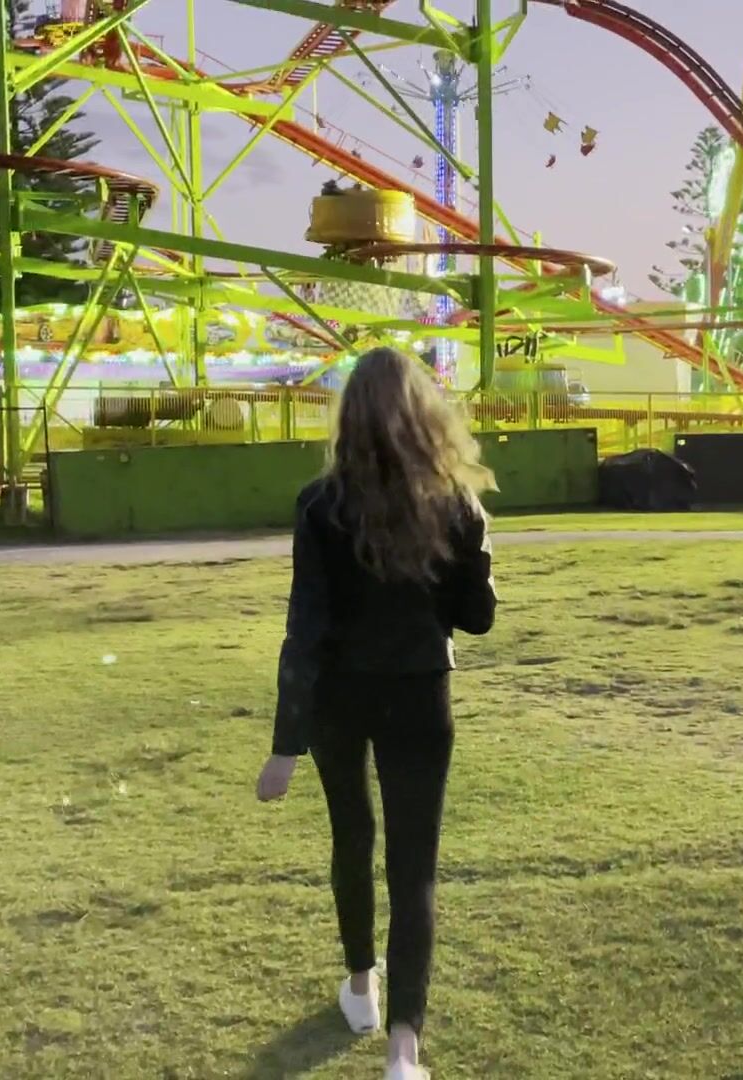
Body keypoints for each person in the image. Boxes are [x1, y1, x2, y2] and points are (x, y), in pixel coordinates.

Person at [257, 347, 497, 1080]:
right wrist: (476, 554)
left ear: (348, 416)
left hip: (339, 696)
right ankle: (402, 1051)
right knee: (413, 870)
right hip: (421, 693)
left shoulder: (319, 504)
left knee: (352, 838)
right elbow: (477, 618)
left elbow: (306, 626)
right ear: (424, 413)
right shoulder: (454, 502)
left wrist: (286, 746)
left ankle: (362, 985)